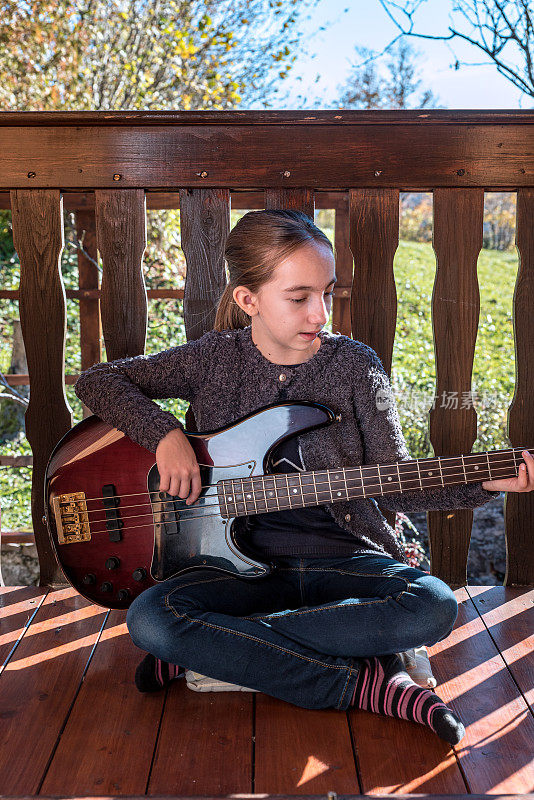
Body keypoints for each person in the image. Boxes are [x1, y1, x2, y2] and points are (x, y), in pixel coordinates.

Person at [74, 209, 534, 746]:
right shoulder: (213, 361)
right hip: (239, 572)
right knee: (152, 619)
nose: (320, 312)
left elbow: (398, 481)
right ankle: (366, 684)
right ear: (249, 300)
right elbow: (99, 381)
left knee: (434, 605)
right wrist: (165, 436)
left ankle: (220, 654)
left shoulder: (356, 368)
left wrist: (488, 481)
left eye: (327, 293)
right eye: (299, 297)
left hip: (344, 562)